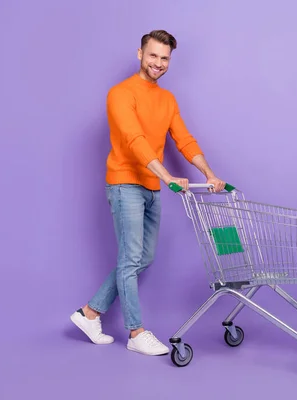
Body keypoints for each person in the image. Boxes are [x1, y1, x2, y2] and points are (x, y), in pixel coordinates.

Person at [70, 30, 226, 356]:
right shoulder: (120, 93)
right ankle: (136, 332)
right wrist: (168, 175)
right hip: (125, 183)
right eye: (153, 55)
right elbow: (134, 139)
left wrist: (209, 174)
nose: (158, 63)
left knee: (143, 258)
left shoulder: (167, 100)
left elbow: (184, 140)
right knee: (130, 259)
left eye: (164, 58)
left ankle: (89, 314)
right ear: (140, 53)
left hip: (152, 188)